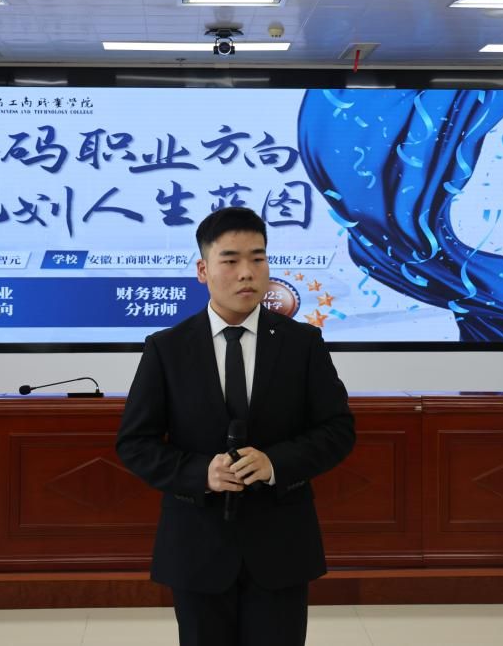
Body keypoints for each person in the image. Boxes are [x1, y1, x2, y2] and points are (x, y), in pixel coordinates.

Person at [116, 206, 355, 646]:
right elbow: (136, 443)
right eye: (230, 260)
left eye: (258, 258)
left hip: (281, 545)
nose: (247, 272)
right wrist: (200, 473)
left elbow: (338, 429)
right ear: (203, 270)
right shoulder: (167, 349)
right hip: (197, 546)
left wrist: (275, 463)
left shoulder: (302, 344)